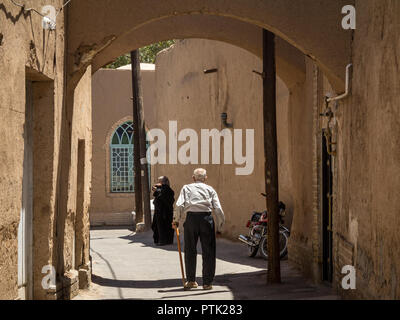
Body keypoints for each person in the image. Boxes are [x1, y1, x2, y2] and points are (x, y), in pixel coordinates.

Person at [172, 168, 225, 290]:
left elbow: (179, 204)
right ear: (205, 178)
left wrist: (176, 220)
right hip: (206, 219)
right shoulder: (210, 189)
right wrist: (220, 227)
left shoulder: (186, 188)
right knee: (209, 251)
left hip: (191, 219)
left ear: (193, 178)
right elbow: (218, 209)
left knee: (190, 249)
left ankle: (191, 281)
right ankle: (207, 283)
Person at [152, 176, 175, 246]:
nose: (158, 183)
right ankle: (164, 240)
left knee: (163, 226)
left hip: (164, 212)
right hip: (159, 211)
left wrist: (157, 190)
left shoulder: (167, 189)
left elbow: (164, 195)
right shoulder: (160, 188)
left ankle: (163, 241)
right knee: (157, 226)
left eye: (160, 181)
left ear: (164, 182)